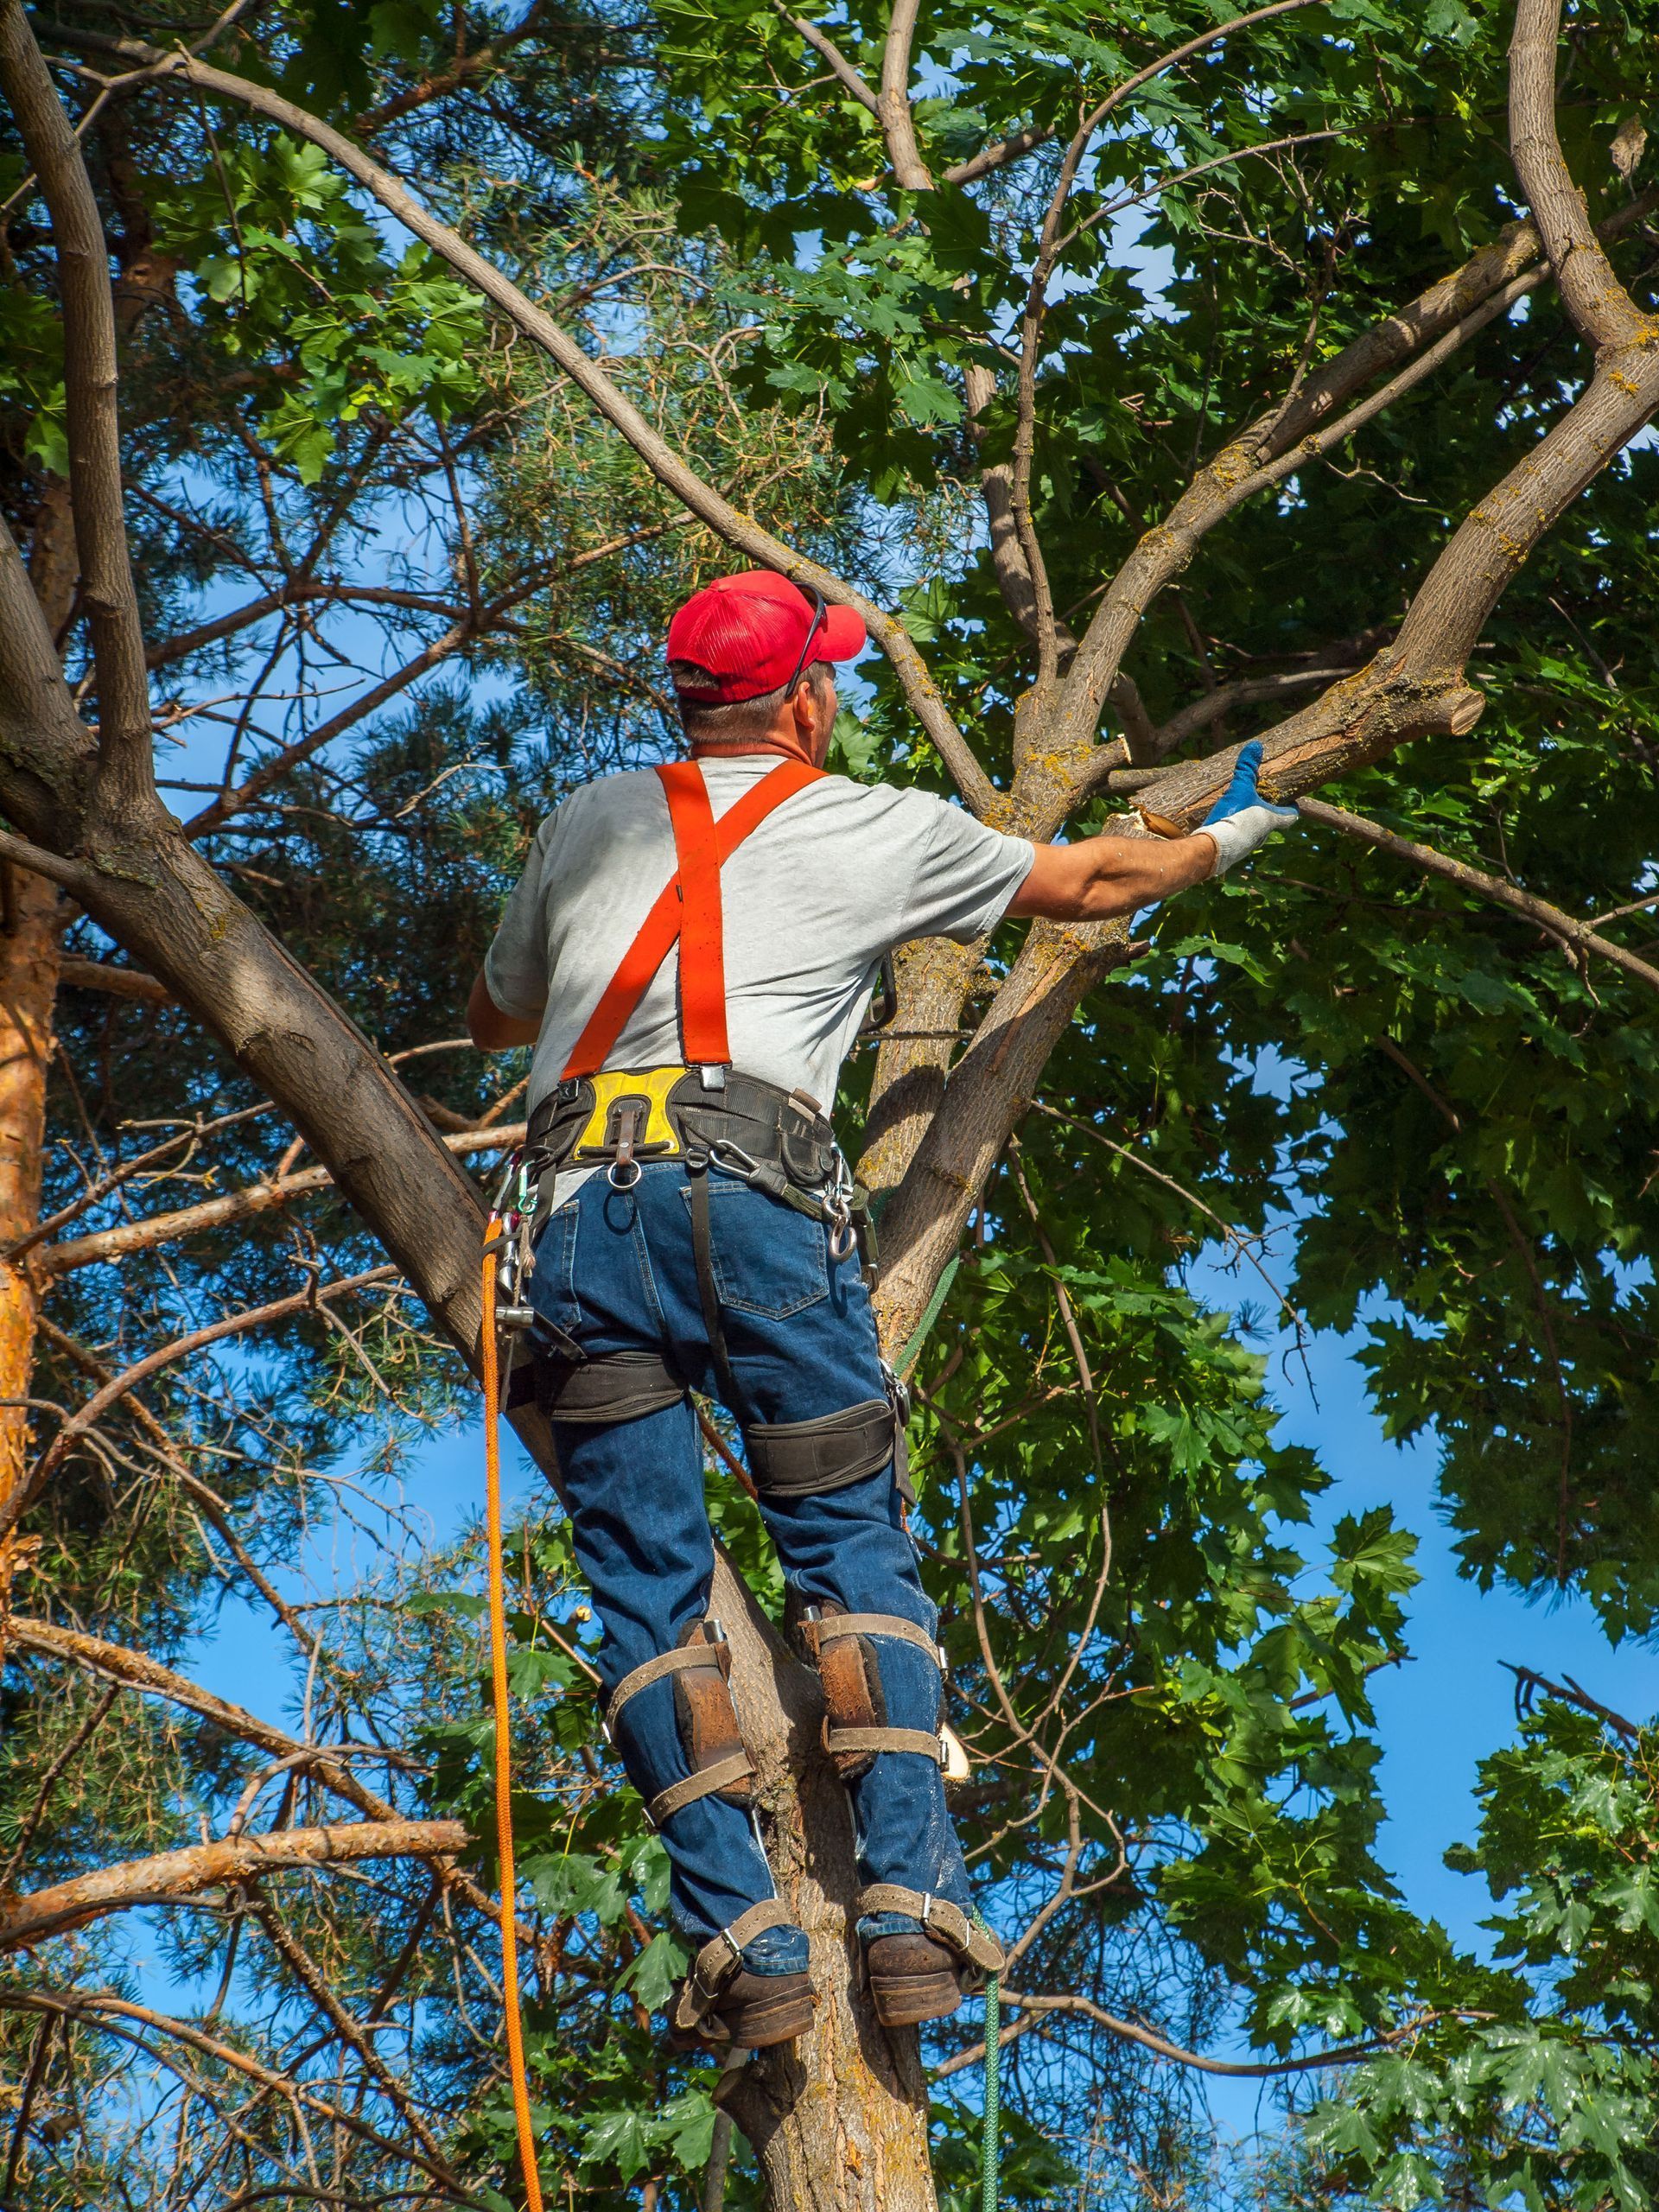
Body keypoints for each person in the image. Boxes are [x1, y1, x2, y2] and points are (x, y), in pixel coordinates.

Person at [467, 569, 1297, 2047]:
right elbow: (1093, 881)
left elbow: (499, 1013)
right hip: (757, 1203)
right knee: (851, 1546)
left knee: (647, 1591)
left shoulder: (591, 818)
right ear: (801, 698)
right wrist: (1225, 837)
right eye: (828, 678)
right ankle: (908, 1911)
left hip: (575, 1224)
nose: (836, 695)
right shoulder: (875, 822)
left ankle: (744, 1946)